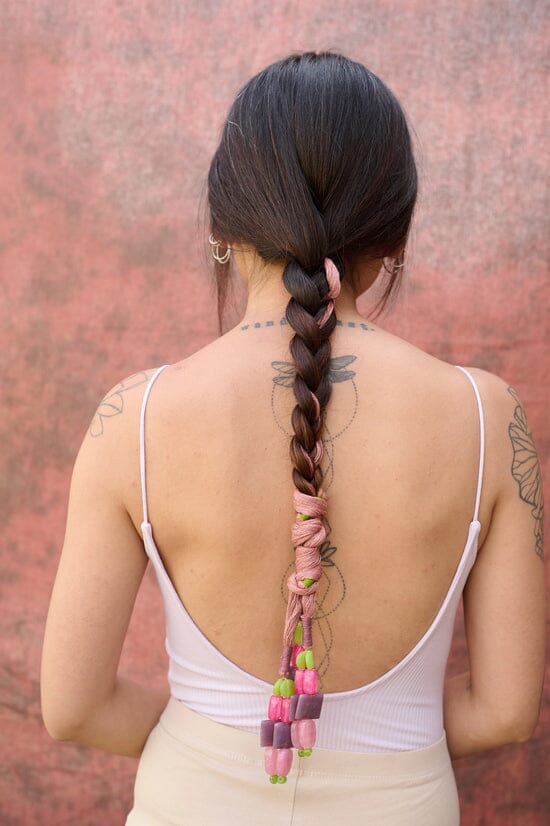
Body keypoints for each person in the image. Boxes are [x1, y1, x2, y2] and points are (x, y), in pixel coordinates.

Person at [40, 52, 545, 825]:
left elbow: (73, 708)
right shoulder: (486, 416)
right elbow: (505, 713)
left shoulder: (133, 419)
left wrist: (210, 741)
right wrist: (383, 739)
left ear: (224, 227)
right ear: (396, 234)